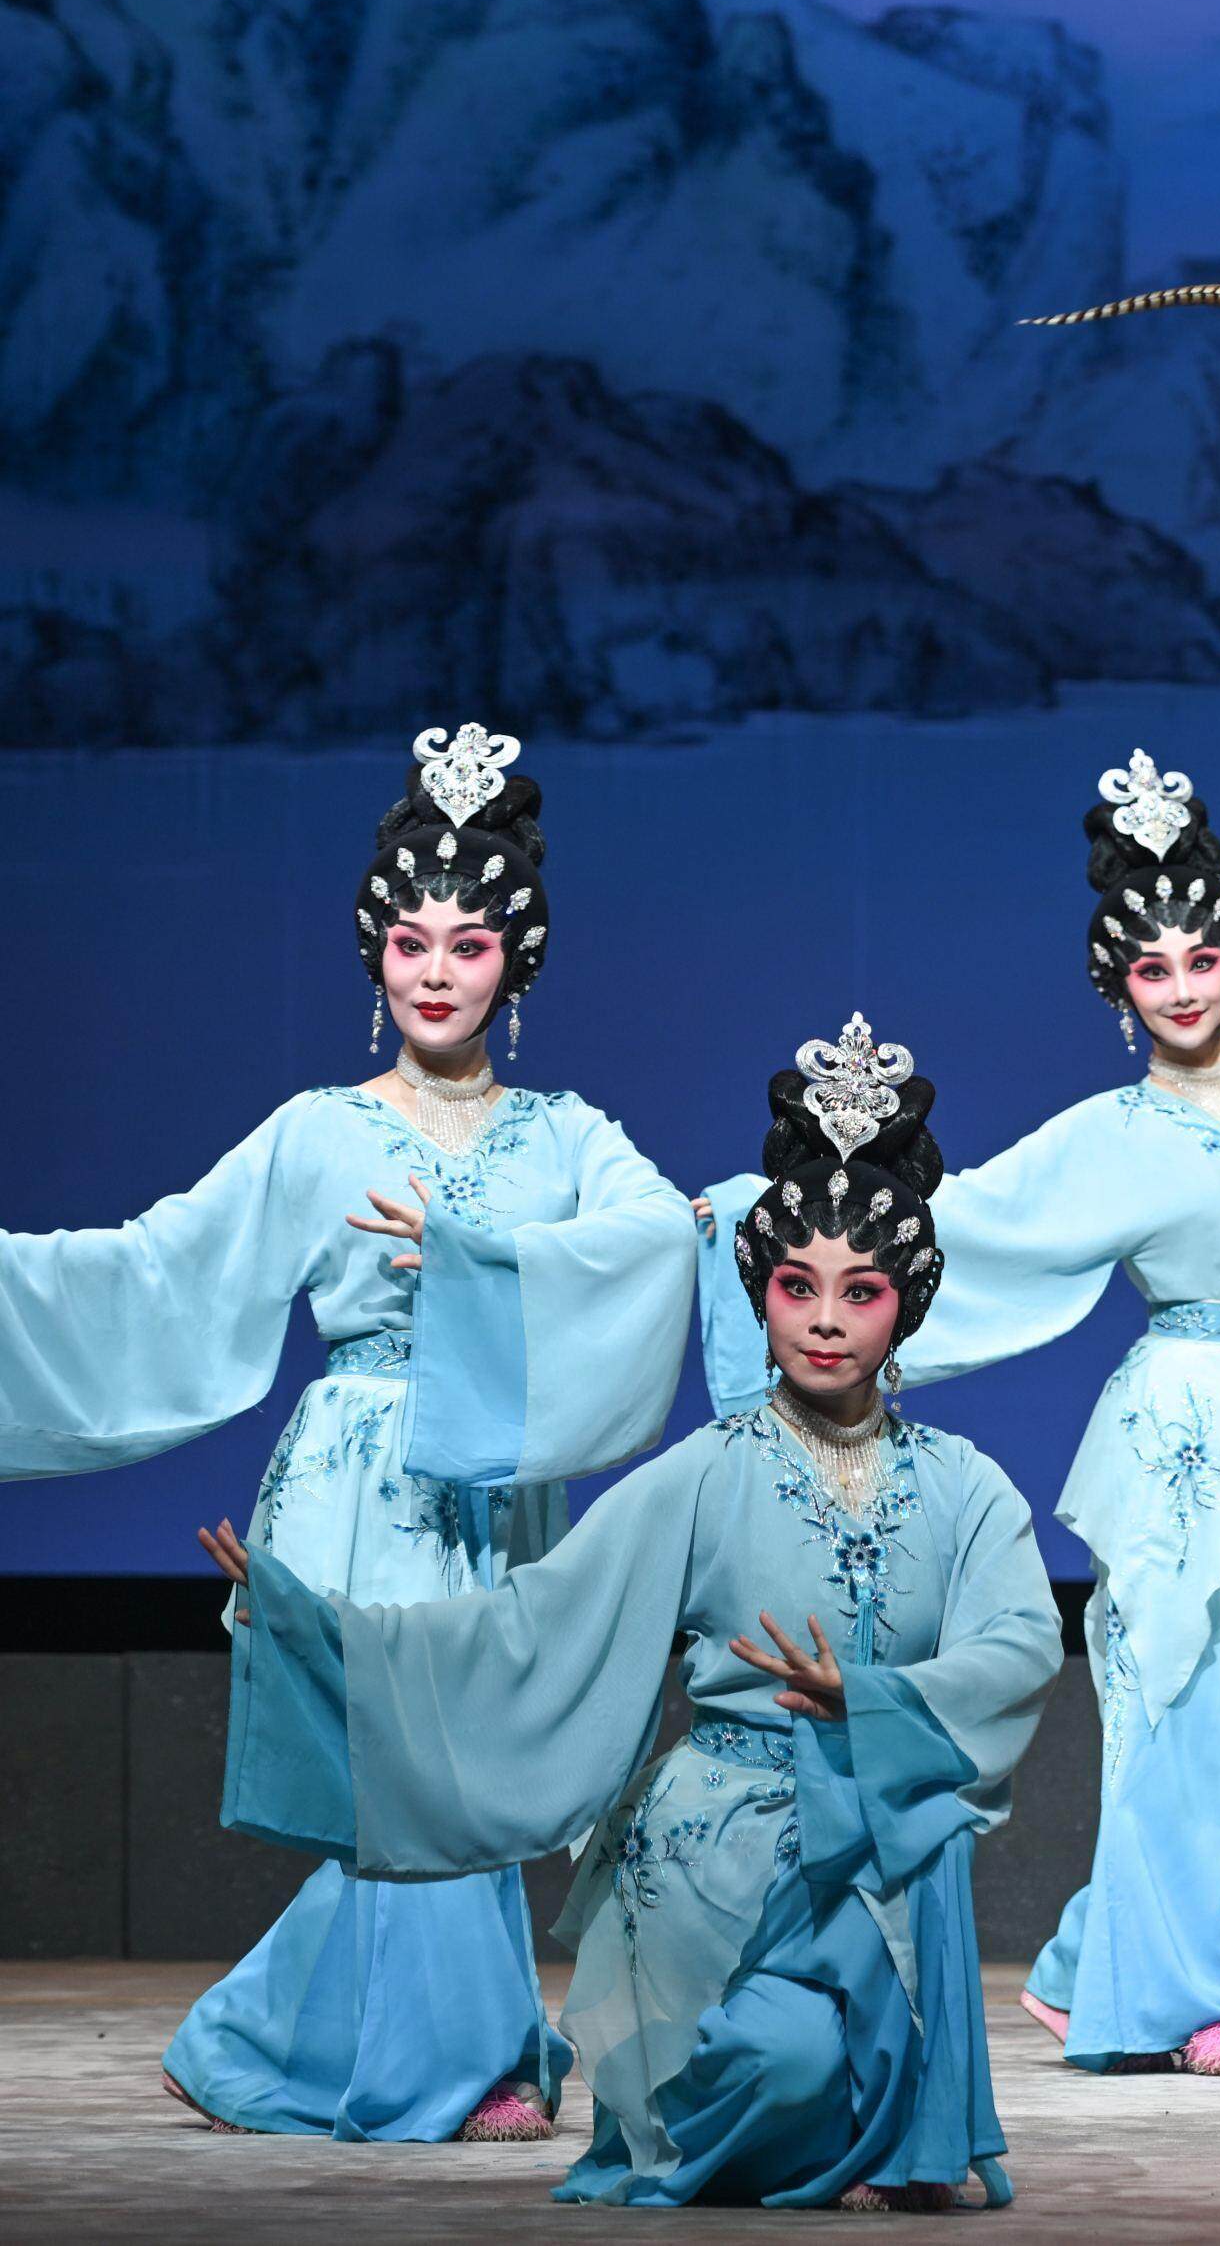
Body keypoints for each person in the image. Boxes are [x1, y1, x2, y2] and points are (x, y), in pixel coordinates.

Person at [210, 1018, 1062, 2209]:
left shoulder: (964, 1485)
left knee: (851, 2044)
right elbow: (530, 1623)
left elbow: (1021, 1642)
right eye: (796, 1286)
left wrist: (871, 1700)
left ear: (905, 1307)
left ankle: (874, 2123)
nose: (824, 1319)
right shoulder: (704, 1473)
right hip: (720, 1866)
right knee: (775, 2065)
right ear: (759, 1295)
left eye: (860, 1291)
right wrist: (320, 1627)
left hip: (885, 1851)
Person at [688, 751, 1220, 2077]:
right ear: (1120, 988)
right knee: (1175, 1708)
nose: (1183, 988)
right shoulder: (1113, 1131)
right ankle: (1192, 1997)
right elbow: (961, 1223)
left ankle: (1095, 1959)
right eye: (1152, 969)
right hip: (1175, 1436)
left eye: (1201, 959)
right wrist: (762, 1219)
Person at [0, 724, 694, 2145]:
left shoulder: (568, 1131)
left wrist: (485, 1266)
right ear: (375, 953)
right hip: (367, 1473)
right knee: (414, 1764)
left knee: (462, 1757)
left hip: (492, 1475)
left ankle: (277, 2033)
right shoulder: (316, 1132)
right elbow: (156, 1271)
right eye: (410, 942)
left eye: (470, 945)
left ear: (516, 961)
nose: (436, 971)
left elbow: (654, 1235)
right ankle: (469, 2055)